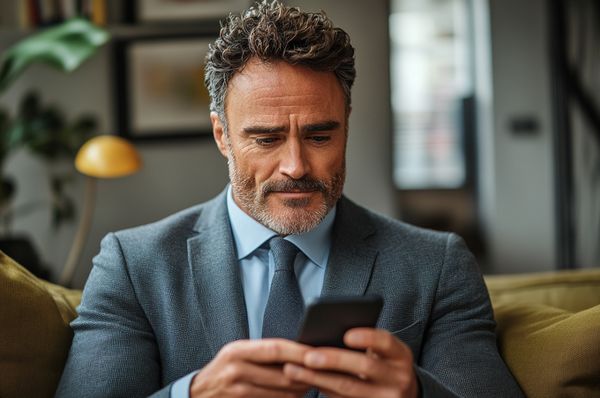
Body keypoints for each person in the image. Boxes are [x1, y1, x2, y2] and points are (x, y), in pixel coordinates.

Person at [56, 1, 523, 397]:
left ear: (347, 123)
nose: (296, 166)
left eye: (320, 136)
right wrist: (191, 394)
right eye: (266, 139)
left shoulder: (437, 265)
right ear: (222, 135)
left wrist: (419, 393)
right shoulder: (132, 265)